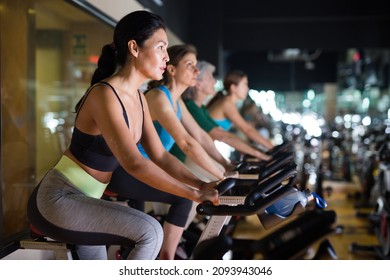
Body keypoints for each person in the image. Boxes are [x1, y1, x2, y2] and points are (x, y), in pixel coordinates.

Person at [26, 10, 219, 260]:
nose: (166, 56)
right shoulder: (104, 94)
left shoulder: (139, 97)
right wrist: (193, 194)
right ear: (134, 48)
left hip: (87, 202)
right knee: (150, 232)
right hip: (59, 199)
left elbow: (159, 155)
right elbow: (134, 163)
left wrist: (202, 184)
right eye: (161, 47)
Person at [107, 44, 234, 260]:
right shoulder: (158, 97)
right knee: (184, 198)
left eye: (196, 66)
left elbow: (200, 137)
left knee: (137, 231)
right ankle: (168, 258)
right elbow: (186, 143)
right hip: (127, 170)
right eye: (190, 65)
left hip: (145, 170)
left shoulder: (176, 102)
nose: (197, 71)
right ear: (172, 70)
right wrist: (222, 176)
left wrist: (228, 167)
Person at [174, 60, 272, 162]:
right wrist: (268, 150)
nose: (215, 81)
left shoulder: (201, 108)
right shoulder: (225, 103)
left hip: (197, 154)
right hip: (184, 157)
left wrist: (260, 151)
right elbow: (237, 133)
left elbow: (229, 135)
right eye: (210, 77)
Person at [206, 69, 274, 152]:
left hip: (206, 147)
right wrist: (273, 148)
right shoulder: (227, 103)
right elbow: (247, 130)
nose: (247, 88)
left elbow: (245, 127)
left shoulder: (227, 102)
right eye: (244, 84)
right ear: (233, 87)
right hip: (201, 149)